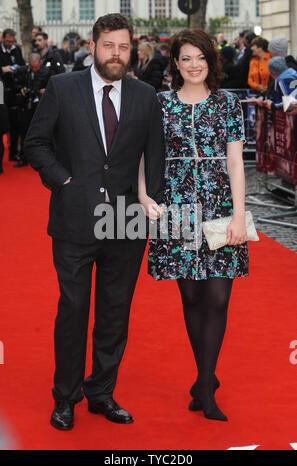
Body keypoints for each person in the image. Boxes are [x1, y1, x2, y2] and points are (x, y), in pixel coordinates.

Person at [24, 13, 164, 431]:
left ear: (132, 48)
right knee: (73, 309)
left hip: (126, 220)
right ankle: (65, 396)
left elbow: (153, 155)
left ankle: (101, 391)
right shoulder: (63, 88)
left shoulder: (145, 95)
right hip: (75, 218)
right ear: (93, 45)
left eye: (123, 46)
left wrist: (148, 203)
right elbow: (35, 141)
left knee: (115, 313)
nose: (116, 54)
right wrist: (63, 181)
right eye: (109, 45)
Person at [139, 29, 249, 422]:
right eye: (185, 58)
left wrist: (239, 214)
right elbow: (144, 154)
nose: (194, 65)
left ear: (210, 60)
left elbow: (236, 162)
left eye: (200, 57)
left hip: (220, 203)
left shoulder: (227, 104)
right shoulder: (160, 104)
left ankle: (204, 384)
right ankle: (205, 380)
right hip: (177, 208)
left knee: (217, 297)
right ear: (175, 63)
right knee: (190, 298)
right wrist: (142, 194)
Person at [13, 53, 51, 167]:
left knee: (41, 134)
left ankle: (41, 160)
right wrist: (21, 89)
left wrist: (45, 90)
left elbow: (53, 87)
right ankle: (23, 158)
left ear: (40, 63)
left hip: (40, 106)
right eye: (32, 67)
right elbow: (15, 83)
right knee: (24, 132)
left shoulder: (47, 72)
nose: (34, 69)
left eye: (36, 67)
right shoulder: (22, 71)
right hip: (25, 105)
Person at [0, 28, 25, 161]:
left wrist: (16, 69)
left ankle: (13, 152)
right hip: (1, 89)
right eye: (8, 41)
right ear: (3, 38)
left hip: (14, 89)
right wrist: (2, 69)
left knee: (16, 122)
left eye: (12, 41)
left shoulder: (17, 50)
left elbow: (22, 65)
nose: (10, 44)